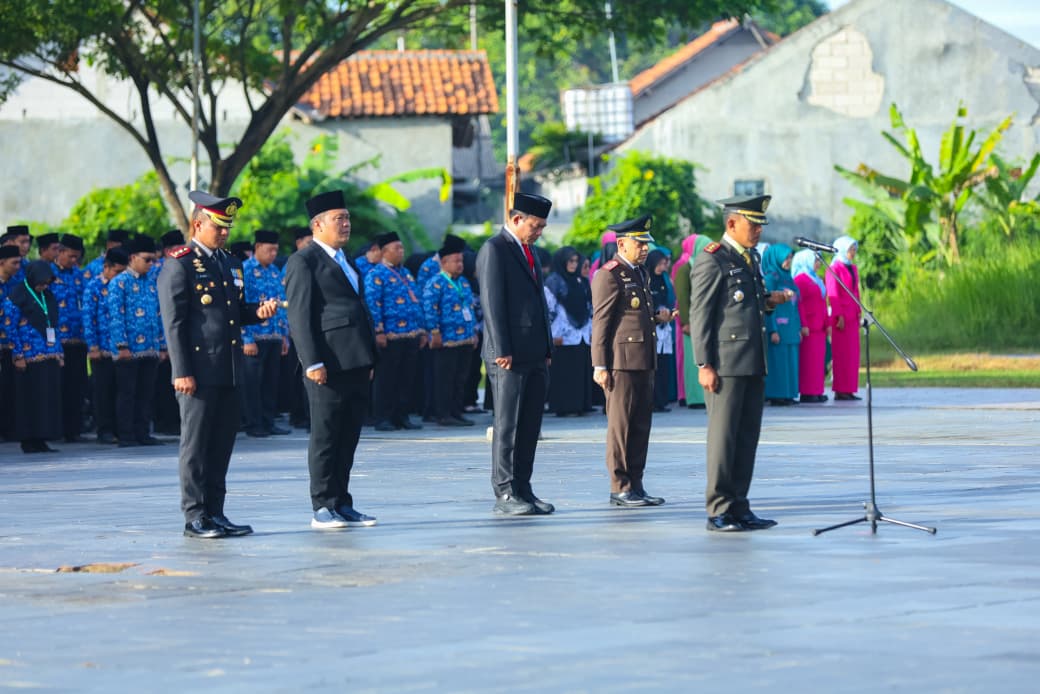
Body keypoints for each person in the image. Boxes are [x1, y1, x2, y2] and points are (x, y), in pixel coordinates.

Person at [158, 190, 280, 539]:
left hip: (227, 367)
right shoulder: (179, 263)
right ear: (197, 224)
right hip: (197, 370)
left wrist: (258, 312)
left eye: (227, 226)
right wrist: (181, 371)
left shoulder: (229, 263)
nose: (224, 232)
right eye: (217, 226)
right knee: (196, 446)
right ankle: (195, 515)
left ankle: (216, 511)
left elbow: (234, 314)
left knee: (222, 443)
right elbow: (175, 323)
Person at [689, 194, 791, 532]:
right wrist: (704, 364)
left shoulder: (751, 258)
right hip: (725, 364)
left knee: (747, 437)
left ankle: (739, 505)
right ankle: (718, 509)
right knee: (723, 439)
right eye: (753, 223)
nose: (759, 230)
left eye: (761, 224)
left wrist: (769, 302)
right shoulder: (712, 259)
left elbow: (747, 305)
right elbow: (701, 314)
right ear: (732, 223)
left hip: (751, 360)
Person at [284, 189, 379, 531]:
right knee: (325, 436)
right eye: (339, 219)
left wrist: (369, 359)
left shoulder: (346, 259)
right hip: (327, 364)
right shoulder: (304, 261)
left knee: (348, 435)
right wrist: (311, 362)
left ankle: (342, 501)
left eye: (348, 218)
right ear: (318, 225)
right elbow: (300, 316)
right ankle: (322, 505)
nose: (346, 224)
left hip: (355, 360)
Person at [476, 192, 555, 516]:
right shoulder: (495, 249)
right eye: (535, 226)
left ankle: (523, 486)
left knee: (529, 423)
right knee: (508, 424)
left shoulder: (528, 251)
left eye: (542, 228)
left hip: (534, 351)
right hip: (508, 355)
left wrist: (547, 347)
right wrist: (502, 350)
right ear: (516, 219)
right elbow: (492, 304)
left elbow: (537, 303)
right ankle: (505, 491)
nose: (538, 232)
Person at [591, 215, 674, 507]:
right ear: (622, 243)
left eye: (645, 244)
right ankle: (620, 486)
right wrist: (600, 365)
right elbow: (601, 322)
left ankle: (636, 484)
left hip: (643, 358)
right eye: (639, 243)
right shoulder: (609, 274)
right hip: (620, 362)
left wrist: (657, 317)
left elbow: (634, 315)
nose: (644, 249)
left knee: (640, 425)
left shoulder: (640, 272)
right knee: (621, 426)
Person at [364, 232, 427, 431]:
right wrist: (378, 331)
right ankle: (383, 417)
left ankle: (402, 415)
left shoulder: (406, 273)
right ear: (384, 252)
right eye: (396, 248)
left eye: (402, 248)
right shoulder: (376, 274)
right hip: (390, 335)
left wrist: (422, 330)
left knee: (406, 377)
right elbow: (373, 305)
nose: (401, 252)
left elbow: (417, 301)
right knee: (386, 378)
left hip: (410, 334)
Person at [108, 235, 166, 447]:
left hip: (150, 347)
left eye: (153, 260)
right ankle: (126, 434)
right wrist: (121, 346)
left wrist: (162, 345)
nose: (152, 264)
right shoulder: (119, 283)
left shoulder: (152, 283)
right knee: (127, 393)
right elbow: (115, 317)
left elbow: (159, 314)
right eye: (147, 259)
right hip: (129, 349)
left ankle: (143, 432)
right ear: (133, 257)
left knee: (146, 393)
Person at [3, 261, 64, 453]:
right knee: (29, 399)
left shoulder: (48, 296)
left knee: (46, 399)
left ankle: (42, 438)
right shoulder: (16, 296)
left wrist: (59, 352)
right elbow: (9, 327)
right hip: (28, 357)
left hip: (48, 355)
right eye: (41, 282)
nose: (44, 286)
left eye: (47, 283)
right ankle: (28, 440)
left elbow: (55, 325)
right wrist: (17, 354)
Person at [422, 234, 478, 427]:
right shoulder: (435, 282)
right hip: (446, 339)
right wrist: (434, 332)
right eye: (456, 261)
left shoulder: (463, 282)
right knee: (444, 378)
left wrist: (474, 332)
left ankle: (456, 411)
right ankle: (443, 414)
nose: (460, 264)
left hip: (465, 337)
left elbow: (470, 307)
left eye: (461, 260)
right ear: (444, 262)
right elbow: (429, 308)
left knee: (460, 378)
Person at [241, 229, 290, 437]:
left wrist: (283, 335)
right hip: (254, 337)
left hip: (274, 335)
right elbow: (239, 307)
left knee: (271, 382)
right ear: (258, 247)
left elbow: (281, 304)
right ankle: (253, 424)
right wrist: (246, 338)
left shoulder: (274, 271)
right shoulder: (245, 270)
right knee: (253, 383)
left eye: (276, 251)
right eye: (269, 250)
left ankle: (268, 421)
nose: (273, 255)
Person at [83, 247, 129, 443]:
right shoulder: (93, 287)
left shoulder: (125, 286)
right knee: (103, 391)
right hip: (101, 349)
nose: (120, 276)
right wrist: (92, 346)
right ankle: (105, 430)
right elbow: (88, 318)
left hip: (121, 349)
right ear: (106, 267)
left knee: (121, 391)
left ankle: (121, 429)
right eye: (117, 272)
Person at [543, 246, 593, 416]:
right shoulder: (554, 281)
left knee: (580, 369)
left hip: (581, 333)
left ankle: (580, 405)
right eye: (570, 261)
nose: (573, 264)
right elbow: (548, 310)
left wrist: (591, 328)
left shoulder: (581, 281)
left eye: (576, 261)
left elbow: (589, 306)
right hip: (561, 333)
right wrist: (550, 336)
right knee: (564, 372)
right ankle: (564, 407)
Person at [51, 233, 89, 443]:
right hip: (57, 340)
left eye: (77, 257)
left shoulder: (79, 276)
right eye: (71, 256)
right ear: (61, 252)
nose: (74, 261)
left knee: (77, 385)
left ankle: (74, 429)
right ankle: (57, 428)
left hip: (78, 339)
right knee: (59, 386)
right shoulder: (48, 273)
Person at [152, 229, 187, 436]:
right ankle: (163, 422)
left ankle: (175, 421)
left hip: (177, 336)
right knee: (163, 385)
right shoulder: (159, 271)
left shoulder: (182, 266)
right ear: (167, 251)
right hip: (160, 337)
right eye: (176, 248)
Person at [672, 233, 712, 409]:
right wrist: (685, 322)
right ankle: (695, 398)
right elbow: (682, 297)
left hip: (706, 320)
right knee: (692, 361)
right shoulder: (685, 270)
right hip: (691, 323)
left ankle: (706, 395)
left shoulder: (707, 267)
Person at [762, 243, 802, 406]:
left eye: (790, 258)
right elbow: (768, 305)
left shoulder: (788, 277)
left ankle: (789, 393)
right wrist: (773, 330)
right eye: (786, 258)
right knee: (778, 361)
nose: (788, 261)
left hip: (791, 325)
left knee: (790, 360)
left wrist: (798, 327)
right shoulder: (771, 278)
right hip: (778, 325)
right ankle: (777, 394)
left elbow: (796, 304)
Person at [827, 236, 862, 401]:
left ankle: (850, 388)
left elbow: (856, 291)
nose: (853, 253)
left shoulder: (852, 268)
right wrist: (839, 315)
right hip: (841, 317)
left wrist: (859, 309)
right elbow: (833, 294)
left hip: (853, 315)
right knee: (842, 353)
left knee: (852, 353)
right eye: (850, 250)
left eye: (854, 249)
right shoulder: (834, 268)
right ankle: (840, 389)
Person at [792, 249, 829, 403]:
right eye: (816, 260)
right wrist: (803, 324)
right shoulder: (800, 279)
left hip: (819, 325)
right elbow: (798, 304)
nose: (818, 264)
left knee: (819, 361)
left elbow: (822, 302)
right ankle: (808, 392)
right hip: (809, 326)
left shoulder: (816, 279)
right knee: (809, 362)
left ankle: (817, 390)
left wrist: (827, 323)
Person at [0, 246, 27, 441]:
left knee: (10, 388)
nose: (18, 266)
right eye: (14, 262)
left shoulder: (18, 283)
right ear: (1, 263)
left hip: (11, 344)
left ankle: (10, 429)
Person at [645, 249, 677, 412]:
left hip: (665, 326)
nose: (663, 267)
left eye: (665, 264)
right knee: (653, 365)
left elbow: (670, 299)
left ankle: (662, 400)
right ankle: (651, 400)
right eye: (661, 264)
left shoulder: (664, 279)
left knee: (664, 365)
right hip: (652, 326)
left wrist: (670, 312)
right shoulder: (647, 279)